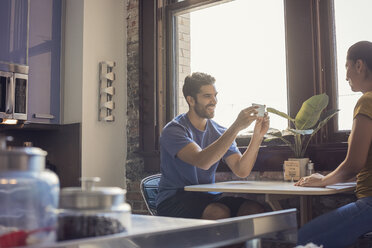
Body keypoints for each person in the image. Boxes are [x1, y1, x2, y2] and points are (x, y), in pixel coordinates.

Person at [155, 72, 270, 220]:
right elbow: (202, 161)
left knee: (254, 210)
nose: (214, 101)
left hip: (207, 196)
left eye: (215, 95)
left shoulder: (219, 132)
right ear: (191, 100)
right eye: (207, 96)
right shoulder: (174, 130)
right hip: (174, 198)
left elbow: (241, 170)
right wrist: (236, 127)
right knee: (218, 212)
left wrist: (257, 136)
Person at [295, 41, 372, 247]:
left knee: (303, 240)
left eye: (346, 67)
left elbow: (354, 162)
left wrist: (323, 180)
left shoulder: (367, 101)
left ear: (359, 65)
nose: (346, 76)